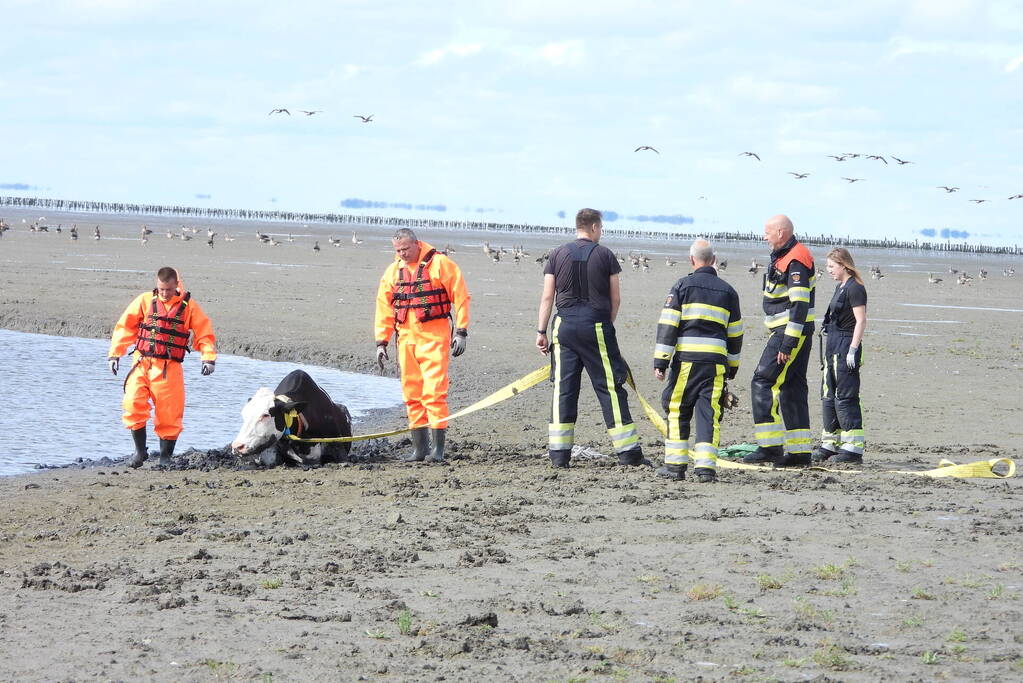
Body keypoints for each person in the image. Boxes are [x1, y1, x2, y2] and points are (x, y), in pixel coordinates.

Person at [536, 208, 645, 468]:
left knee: (563, 389)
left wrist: (541, 332)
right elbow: (615, 298)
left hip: (563, 327)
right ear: (595, 227)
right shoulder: (605, 254)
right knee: (609, 388)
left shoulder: (557, 254)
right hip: (596, 325)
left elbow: (547, 297)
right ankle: (628, 454)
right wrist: (606, 324)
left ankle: (559, 456)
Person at [375, 228, 471, 463]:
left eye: (406, 249)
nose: (402, 254)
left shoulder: (441, 265)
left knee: (434, 394)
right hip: (406, 340)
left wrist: (461, 331)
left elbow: (461, 297)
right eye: (398, 250)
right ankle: (419, 450)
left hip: (434, 339)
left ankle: (437, 451)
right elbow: (384, 308)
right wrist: (381, 342)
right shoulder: (393, 272)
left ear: (417, 244)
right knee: (412, 395)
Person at [108, 267, 217, 468]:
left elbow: (204, 333)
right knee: (132, 403)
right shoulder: (145, 300)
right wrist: (115, 354)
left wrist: (208, 359)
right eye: (161, 289)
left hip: (169, 367)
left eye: (168, 289)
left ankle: (165, 458)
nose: (164, 293)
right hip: (141, 363)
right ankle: (140, 452)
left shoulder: (189, 306)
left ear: (177, 285)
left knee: (169, 413)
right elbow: (125, 327)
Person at [653, 239, 743, 482]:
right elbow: (735, 334)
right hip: (715, 364)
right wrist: (732, 367)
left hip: (687, 362)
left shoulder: (682, 286)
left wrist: (661, 361)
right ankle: (705, 469)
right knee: (709, 413)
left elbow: (668, 325)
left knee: (677, 409)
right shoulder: (728, 292)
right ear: (713, 260)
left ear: (692, 260)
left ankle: (675, 466)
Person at [744, 215, 816, 467]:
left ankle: (769, 447)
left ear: (781, 232)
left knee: (762, 381)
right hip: (794, 332)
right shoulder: (787, 255)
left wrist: (787, 343)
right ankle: (799, 453)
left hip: (789, 333)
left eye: (767, 232)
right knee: (792, 388)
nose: (764, 237)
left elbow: (799, 304)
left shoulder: (795, 259)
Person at [814, 247, 867, 463]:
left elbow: (861, 321)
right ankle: (829, 443)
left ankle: (852, 449)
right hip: (832, 344)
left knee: (845, 396)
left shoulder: (856, 288)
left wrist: (853, 349)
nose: (828, 270)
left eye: (831, 266)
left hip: (846, 345)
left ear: (844, 265)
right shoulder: (841, 286)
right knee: (828, 395)